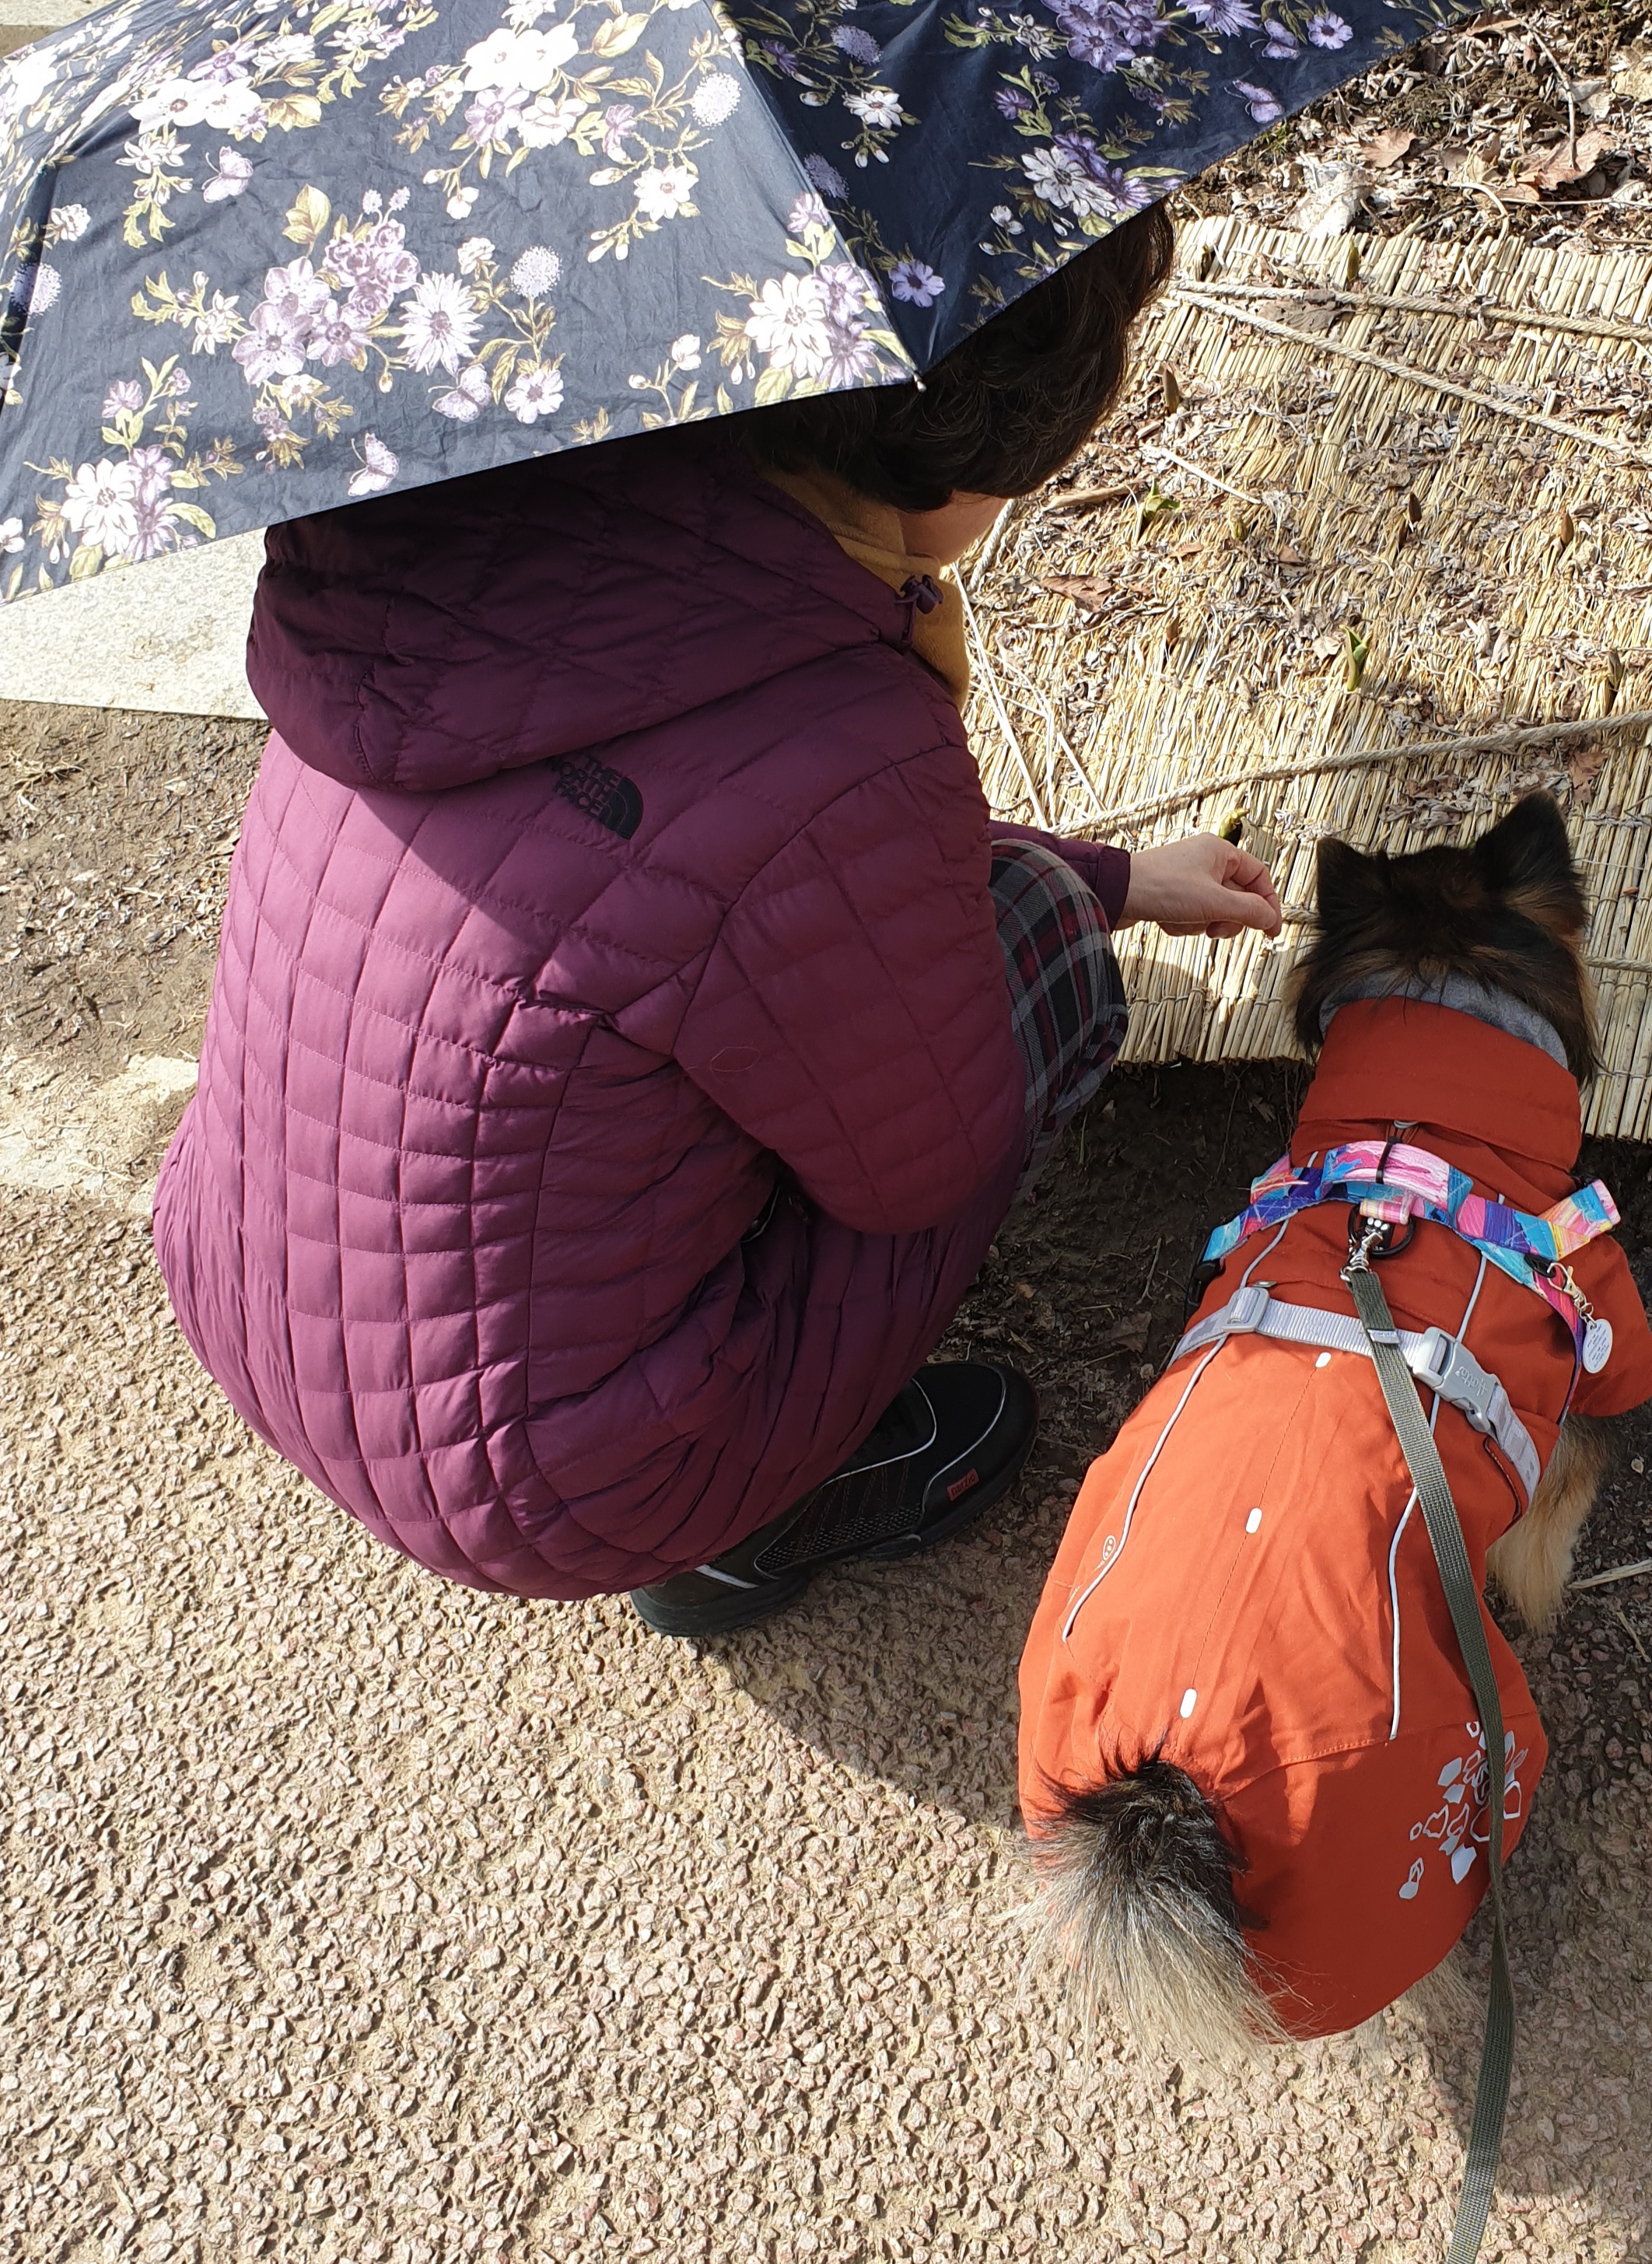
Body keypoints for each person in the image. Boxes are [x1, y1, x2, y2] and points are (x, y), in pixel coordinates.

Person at [151, 204, 1283, 1635]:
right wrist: (1081, 895)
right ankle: (754, 1519)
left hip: (253, 1288)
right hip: (551, 1484)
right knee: (1041, 956)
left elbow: (680, 863)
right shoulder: (837, 738)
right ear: (980, 446)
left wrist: (1128, 874)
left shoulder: (465, 508)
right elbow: (924, 1159)